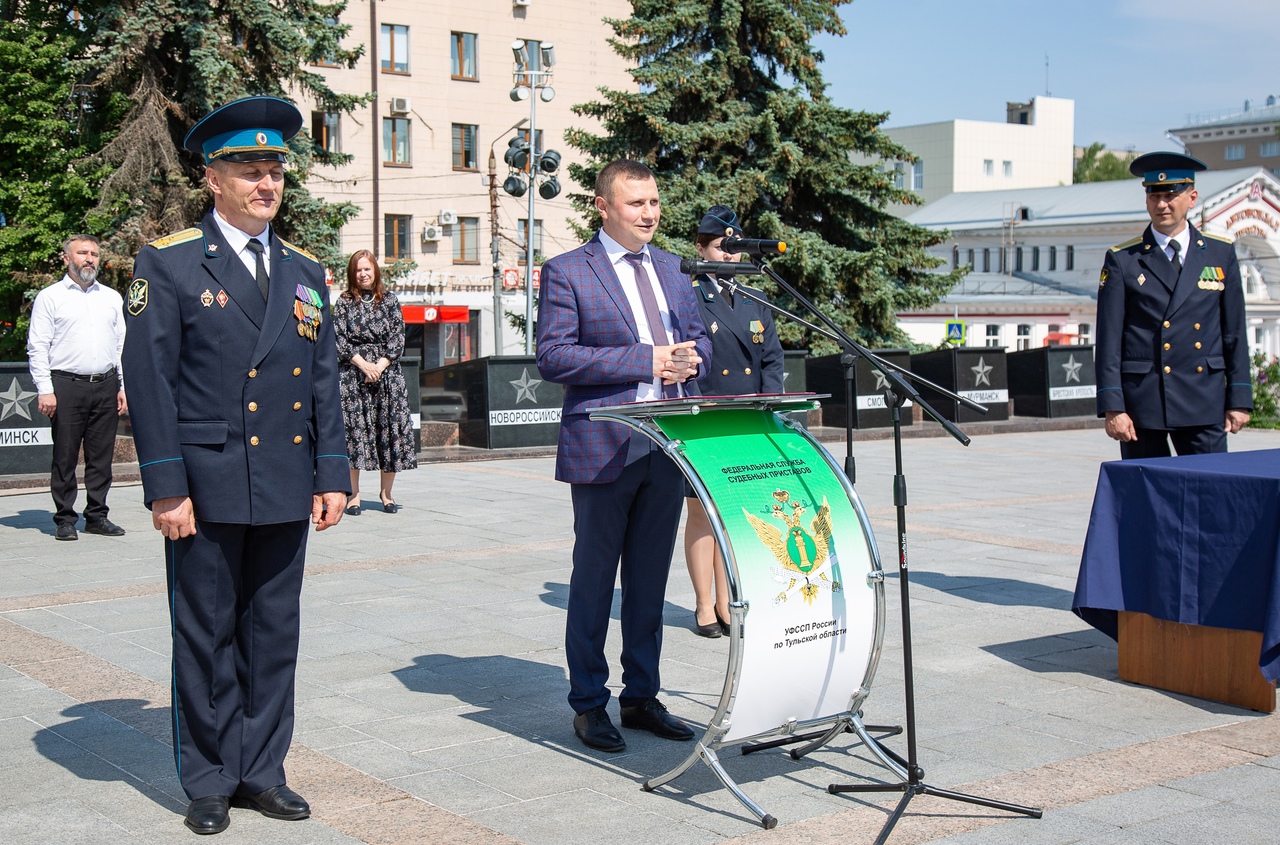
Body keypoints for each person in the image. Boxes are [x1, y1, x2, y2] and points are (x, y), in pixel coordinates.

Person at [121, 96, 350, 836]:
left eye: (276, 167)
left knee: (272, 632)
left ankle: (262, 770)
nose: (267, 180)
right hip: (206, 483)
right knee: (207, 633)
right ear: (212, 176)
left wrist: (334, 472)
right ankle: (212, 777)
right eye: (249, 168)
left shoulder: (306, 269)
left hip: (285, 481)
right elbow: (151, 381)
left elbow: (322, 380)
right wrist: (165, 485)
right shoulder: (172, 260)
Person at [536, 159, 712, 753]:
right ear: (603, 206)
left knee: (648, 580)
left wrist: (694, 360)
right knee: (594, 578)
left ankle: (641, 696)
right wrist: (648, 360)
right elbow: (555, 356)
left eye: (654, 202)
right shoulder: (567, 271)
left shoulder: (672, 268)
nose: (649, 214)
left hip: (666, 443)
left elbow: (700, 337)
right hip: (603, 444)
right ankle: (589, 702)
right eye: (635, 204)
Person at [1095, 151, 1252, 458]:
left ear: (1192, 198)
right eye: (1154, 196)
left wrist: (1239, 398)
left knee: (1209, 494)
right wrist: (1113, 406)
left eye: (1171, 195)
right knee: (1148, 496)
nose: (1162, 204)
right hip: (1143, 403)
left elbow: (1234, 332)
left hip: (1203, 399)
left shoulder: (1220, 255)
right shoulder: (1124, 260)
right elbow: (1109, 340)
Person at [682, 206, 785, 637]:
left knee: (734, 515)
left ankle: (728, 600)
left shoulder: (753, 298)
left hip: (747, 420)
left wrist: (770, 408)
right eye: (720, 248)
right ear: (701, 248)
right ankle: (704, 604)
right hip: (705, 419)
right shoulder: (689, 298)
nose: (728, 255)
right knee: (704, 514)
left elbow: (772, 360)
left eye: (733, 247)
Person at [26, 235, 128, 541]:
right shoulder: (51, 297)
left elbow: (121, 344)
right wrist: (45, 389)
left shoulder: (111, 297)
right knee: (66, 454)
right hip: (67, 384)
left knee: (101, 455)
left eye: (94, 254)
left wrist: (123, 385)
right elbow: (37, 346)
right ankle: (65, 518)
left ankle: (97, 515)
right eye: (82, 253)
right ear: (67, 258)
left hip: (106, 383)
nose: (90, 259)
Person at [332, 250, 417, 514]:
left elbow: (398, 338)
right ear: (352, 274)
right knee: (353, 435)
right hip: (352, 376)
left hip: (386, 376)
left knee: (388, 432)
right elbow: (338, 339)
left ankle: (386, 493)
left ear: (375, 271)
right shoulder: (344, 302)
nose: (363, 274)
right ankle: (354, 495)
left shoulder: (390, 300)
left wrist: (378, 366)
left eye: (367, 269)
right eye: (358, 270)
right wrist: (364, 364)